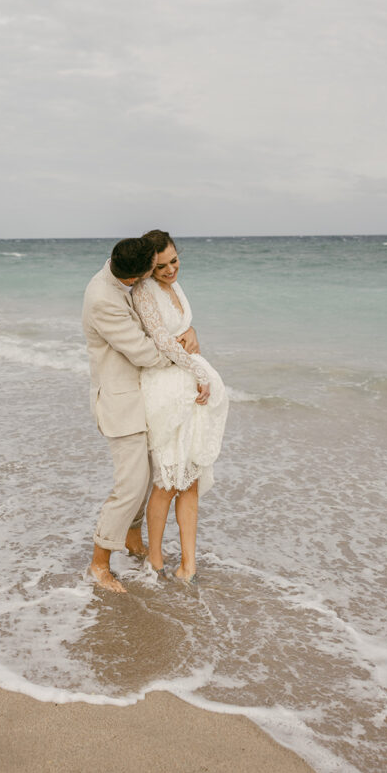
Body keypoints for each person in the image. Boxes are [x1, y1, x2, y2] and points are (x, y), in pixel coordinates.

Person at [82, 237, 200, 593]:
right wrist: (185, 358)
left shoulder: (126, 276)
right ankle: (99, 565)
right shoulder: (103, 299)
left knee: (148, 476)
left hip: (146, 396)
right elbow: (143, 351)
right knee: (131, 484)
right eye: (150, 272)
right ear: (134, 277)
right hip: (120, 403)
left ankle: (133, 538)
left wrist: (186, 331)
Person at [133, 230, 228, 584]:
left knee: (190, 479)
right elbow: (161, 340)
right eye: (161, 266)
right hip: (165, 388)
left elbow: (181, 330)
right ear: (148, 267)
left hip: (188, 382)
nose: (171, 270)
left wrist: (194, 335)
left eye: (174, 260)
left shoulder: (176, 287)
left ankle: (189, 564)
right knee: (167, 481)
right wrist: (197, 370)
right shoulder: (143, 292)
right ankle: (154, 560)